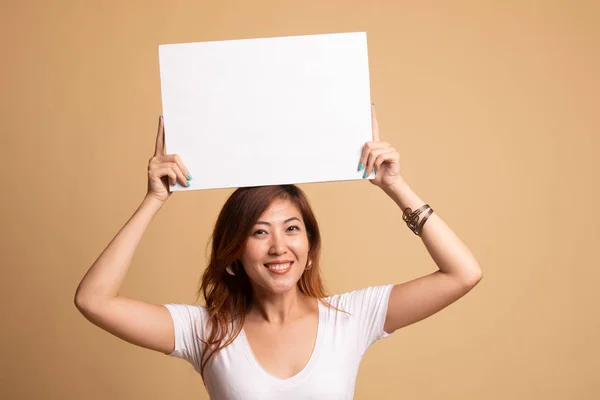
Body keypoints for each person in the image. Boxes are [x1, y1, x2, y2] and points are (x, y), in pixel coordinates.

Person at [74, 106, 483, 399]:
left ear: (309, 248)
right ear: (234, 254)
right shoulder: (207, 332)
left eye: (291, 229)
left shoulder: (351, 318)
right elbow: (93, 300)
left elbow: (462, 273)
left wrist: (396, 187)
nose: (278, 247)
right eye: (258, 232)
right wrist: (154, 199)